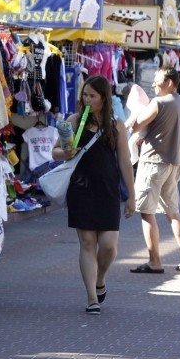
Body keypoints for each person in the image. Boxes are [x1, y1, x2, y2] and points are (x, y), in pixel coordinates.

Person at [49, 76, 135, 314]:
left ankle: (100, 280)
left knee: (108, 247)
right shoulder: (75, 121)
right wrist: (65, 152)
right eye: (84, 95)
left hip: (108, 189)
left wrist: (131, 195)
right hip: (81, 187)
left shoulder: (115, 124)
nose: (87, 100)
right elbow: (55, 152)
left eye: (92, 96)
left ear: (104, 98)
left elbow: (125, 162)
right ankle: (91, 298)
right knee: (87, 243)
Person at [128, 67, 180, 274]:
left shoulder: (158, 103)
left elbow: (135, 126)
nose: (154, 85)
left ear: (169, 82)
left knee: (147, 213)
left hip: (153, 163)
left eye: (157, 81)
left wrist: (136, 112)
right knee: (173, 213)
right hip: (174, 164)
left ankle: (155, 261)